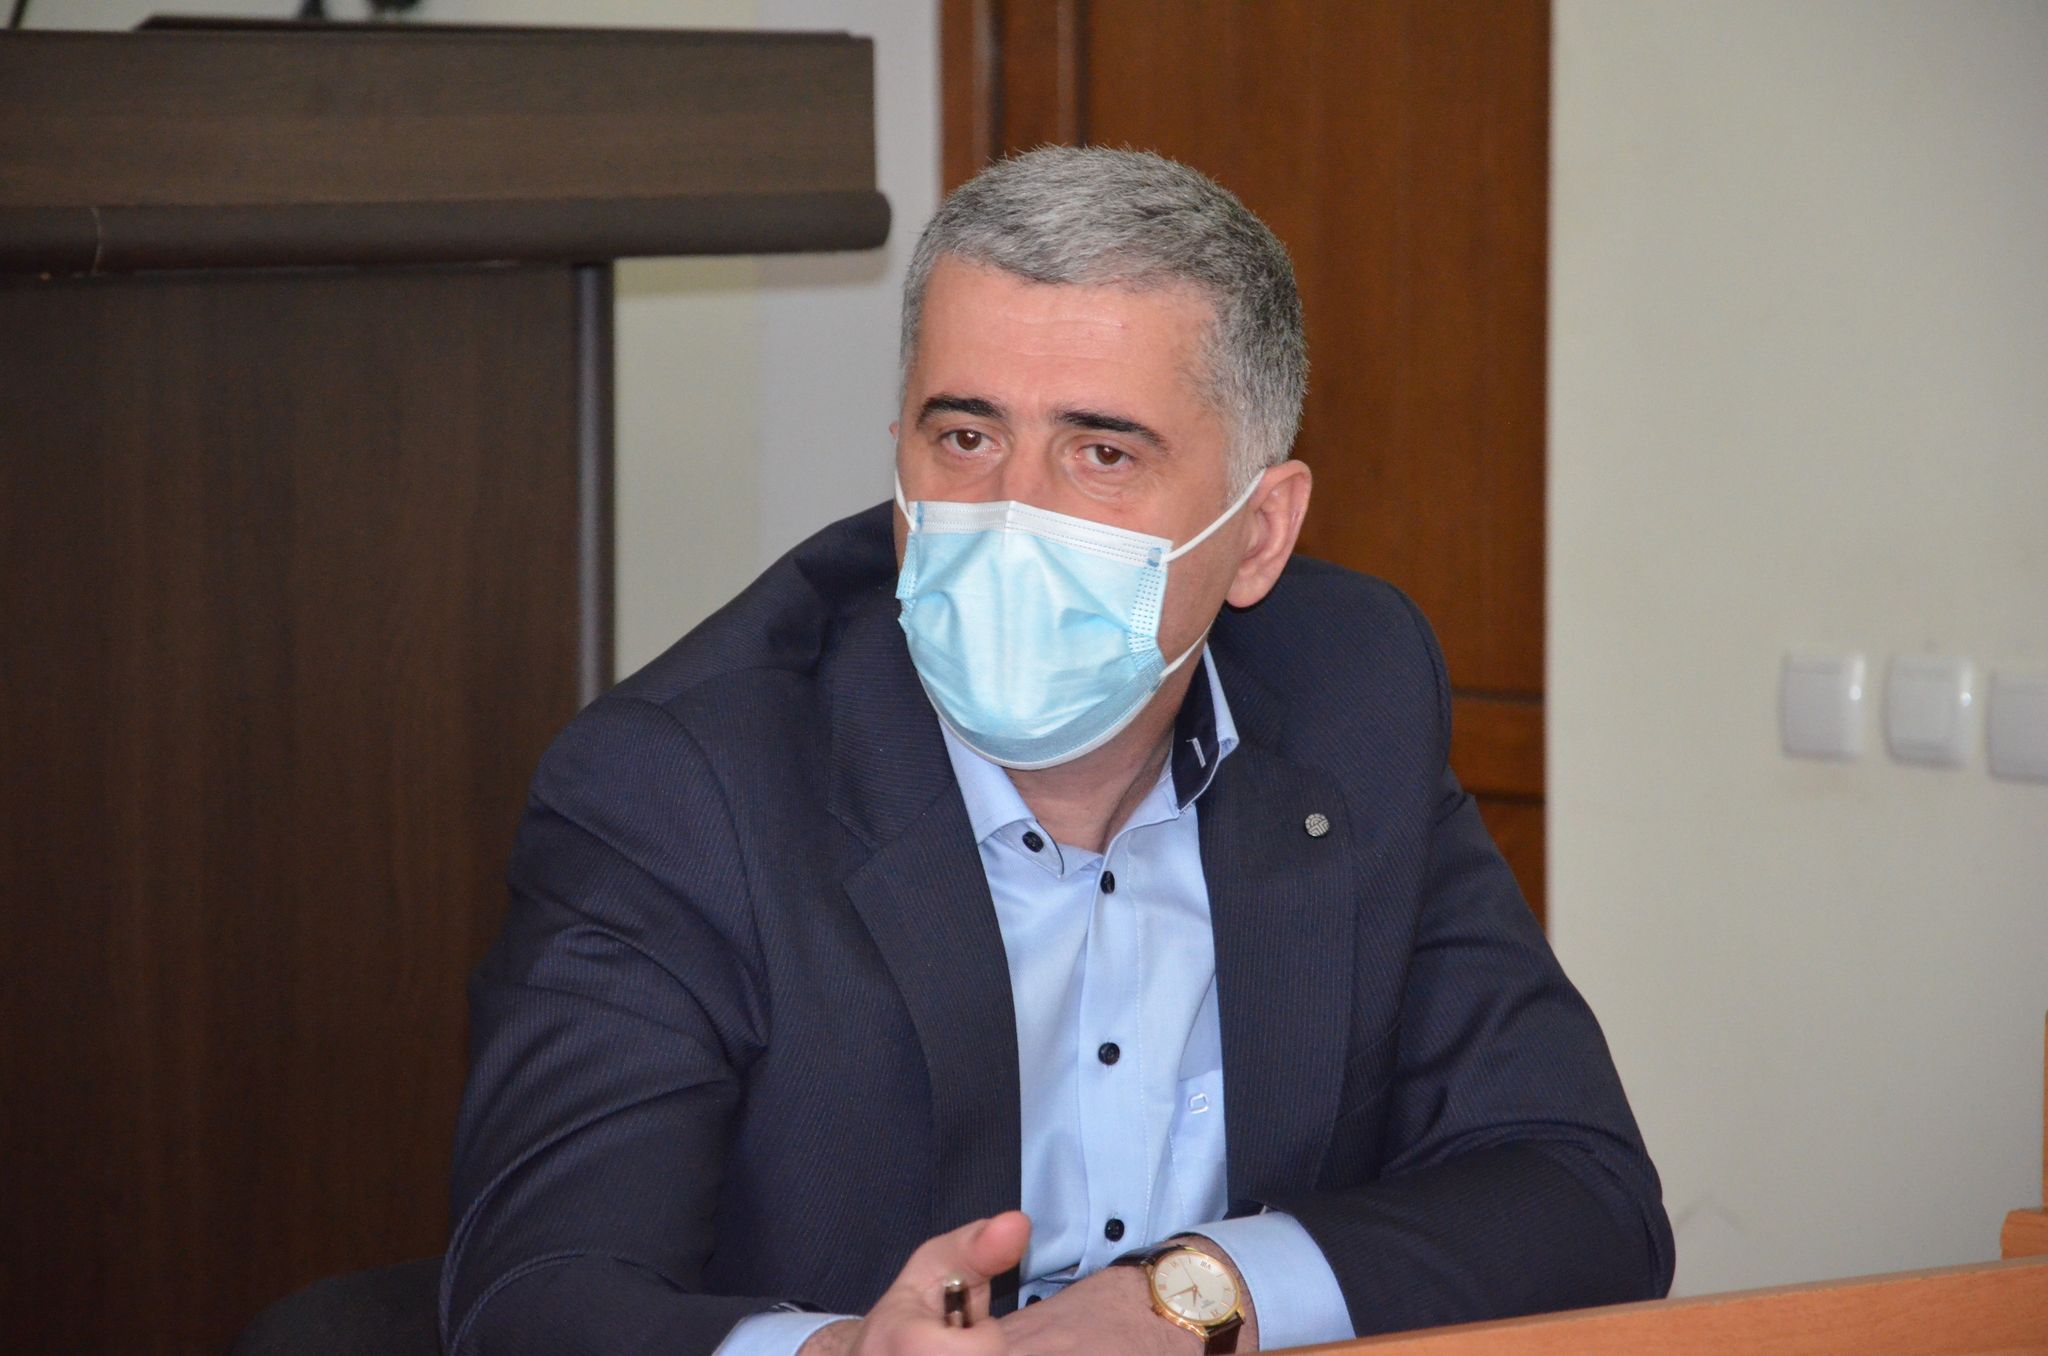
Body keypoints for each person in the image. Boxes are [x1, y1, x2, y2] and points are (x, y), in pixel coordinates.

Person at [440, 147, 1673, 1356]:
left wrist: (1192, 1299)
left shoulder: (1349, 693)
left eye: (1101, 454)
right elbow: (535, 1296)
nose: (1009, 518)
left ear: (1257, 534)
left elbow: (1578, 1192)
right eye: (965, 439)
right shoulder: (679, 782)